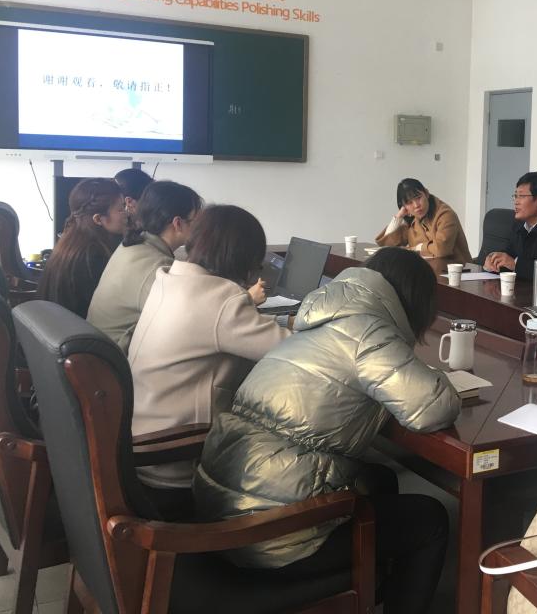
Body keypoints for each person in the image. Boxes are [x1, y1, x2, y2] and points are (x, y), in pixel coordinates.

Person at [194, 247, 460, 614]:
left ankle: (368, 591)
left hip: (223, 508)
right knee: (430, 519)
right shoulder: (368, 330)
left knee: (380, 478)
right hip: (271, 538)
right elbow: (432, 408)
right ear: (416, 302)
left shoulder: (321, 317)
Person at [128, 205, 288, 500]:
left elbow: (222, 328)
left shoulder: (169, 279)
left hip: (141, 440)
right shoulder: (221, 298)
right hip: (176, 460)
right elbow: (291, 351)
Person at [87, 181, 203, 351]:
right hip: (117, 358)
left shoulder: (134, 244)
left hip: (101, 350)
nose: (201, 228)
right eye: (197, 221)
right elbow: (190, 321)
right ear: (178, 223)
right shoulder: (158, 268)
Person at [38, 178, 127, 318]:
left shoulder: (71, 241)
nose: (127, 214)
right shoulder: (93, 257)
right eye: (121, 209)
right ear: (98, 219)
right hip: (82, 328)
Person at [375, 177, 472, 271]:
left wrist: (415, 249)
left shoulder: (445, 214)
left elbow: (441, 249)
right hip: (428, 271)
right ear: (404, 206)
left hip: (458, 273)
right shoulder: (413, 219)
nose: (416, 205)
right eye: (409, 203)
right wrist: (399, 216)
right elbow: (387, 245)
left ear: (426, 193)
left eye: (418, 198)